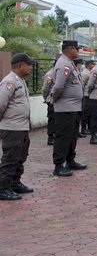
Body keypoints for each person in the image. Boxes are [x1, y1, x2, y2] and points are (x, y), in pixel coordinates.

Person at [48, 40, 87, 176]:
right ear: (70, 49)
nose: (78, 51)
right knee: (63, 137)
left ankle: (70, 160)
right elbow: (58, 86)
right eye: (77, 49)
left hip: (74, 107)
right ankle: (58, 165)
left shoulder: (69, 63)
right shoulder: (64, 64)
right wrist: (55, 99)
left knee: (72, 136)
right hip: (65, 108)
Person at [0, 53, 35, 201]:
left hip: (21, 127)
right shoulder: (9, 81)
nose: (31, 68)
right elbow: (1, 104)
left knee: (20, 156)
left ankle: (15, 183)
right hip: (12, 127)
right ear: (20, 65)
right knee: (10, 158)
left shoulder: (20, 80)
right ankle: (3, 188)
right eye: (29, 65)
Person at [41, 55, 60, 146]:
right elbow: (45, 89)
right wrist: (46, 99)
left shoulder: (59, 74)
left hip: (59, 101)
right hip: (52, 100)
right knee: (52, 119)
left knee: (58, 119)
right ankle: (51, 137)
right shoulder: (50, 74)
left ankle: (56, 136)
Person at [79, 59, 95, 137]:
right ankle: (83, 129)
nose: (94, 65)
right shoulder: (85, 73)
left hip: (90, 95)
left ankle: (88, 128)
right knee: (85, 113)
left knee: (90, 113)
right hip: (85, 95)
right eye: (93, 64)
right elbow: (81, 85)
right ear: (89, 65)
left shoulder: (90, 73)